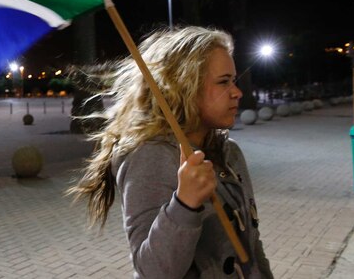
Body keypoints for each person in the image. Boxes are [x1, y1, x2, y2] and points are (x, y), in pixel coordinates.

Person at [70, 26, 272, 278]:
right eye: (223, 82)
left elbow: (252, 246)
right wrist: (185, 204)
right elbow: (152, 270)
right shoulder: (151, 156)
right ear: (185, 86)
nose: (237, 92)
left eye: (234, 80)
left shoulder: (230, 153)